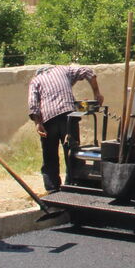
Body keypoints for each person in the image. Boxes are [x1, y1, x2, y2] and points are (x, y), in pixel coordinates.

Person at [27, 64, 103, 194]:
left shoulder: (35, 80)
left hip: (48, 120)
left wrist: (37, 123)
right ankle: (73, 184)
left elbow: (33, 103)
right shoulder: (64, 70)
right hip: (68, 116)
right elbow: (88, 71)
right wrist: (97, 93)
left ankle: (52, 188)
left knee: (49, 155)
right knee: (72, 152)